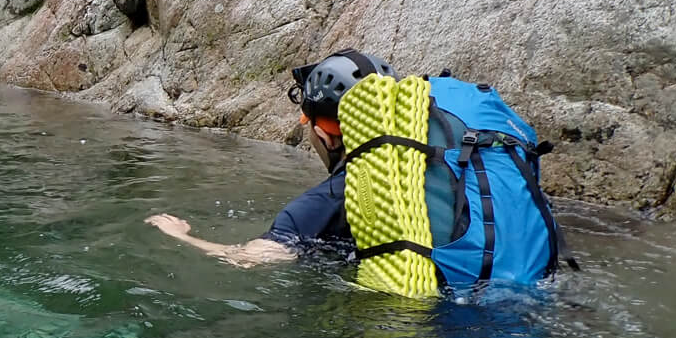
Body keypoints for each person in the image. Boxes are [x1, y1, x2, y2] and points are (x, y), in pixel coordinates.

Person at [147, 50, 570, 288]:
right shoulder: (448, 164)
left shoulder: (332, 198)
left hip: (435, 333)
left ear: (325, 135)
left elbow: (250, 260)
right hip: (532, 293)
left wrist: (184, 238)